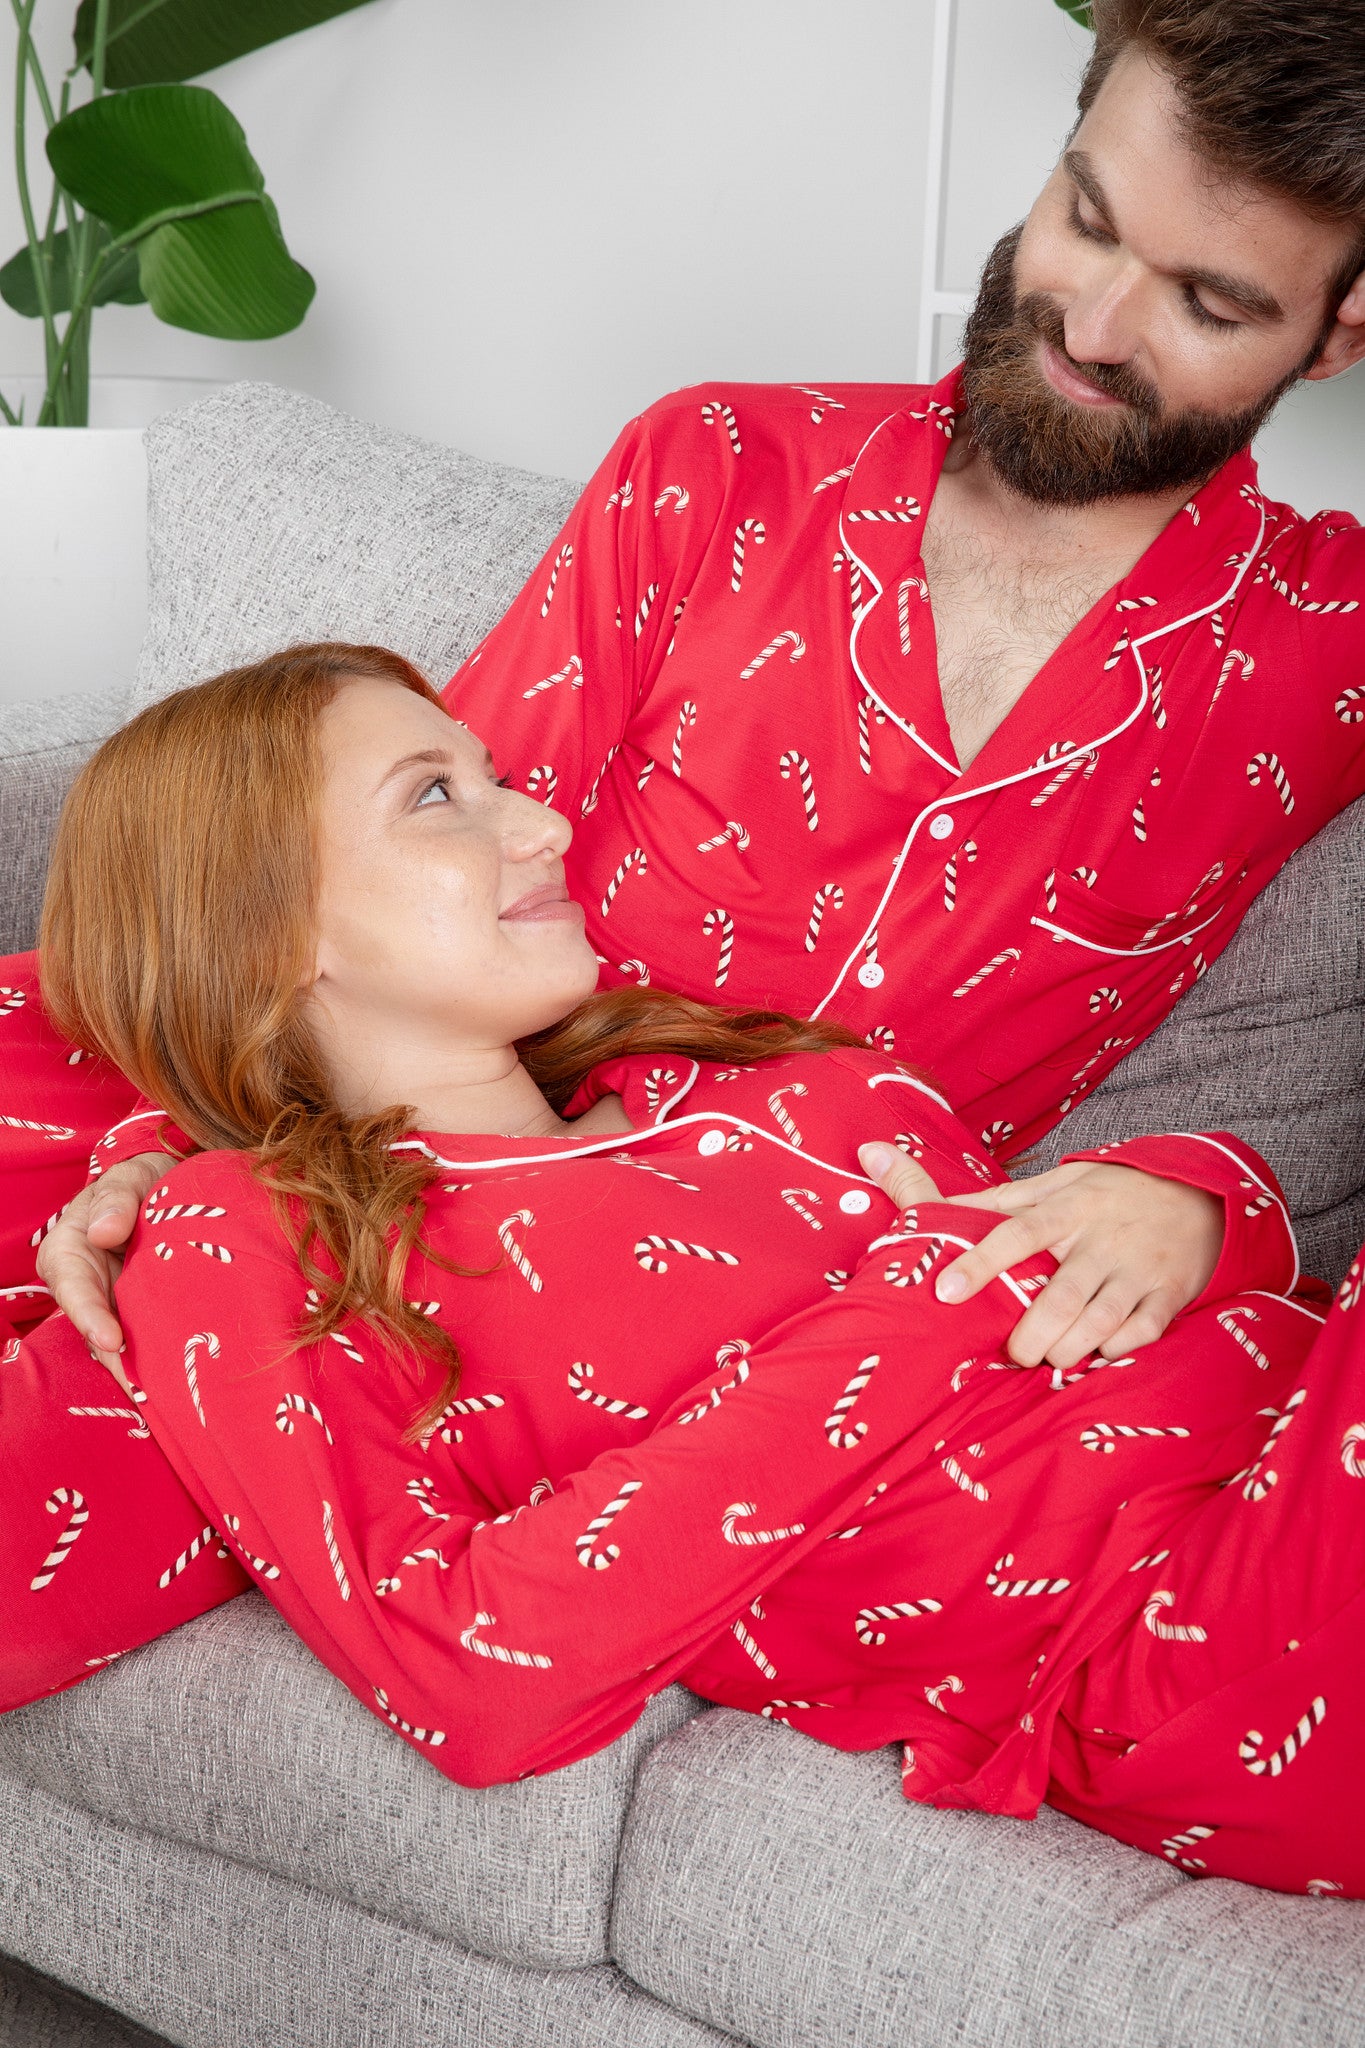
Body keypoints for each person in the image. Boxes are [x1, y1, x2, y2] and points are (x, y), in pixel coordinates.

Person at [7, 0, 1365, 1396]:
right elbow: (380, 879)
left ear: (1338, 328)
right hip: (373, 1143)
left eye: (1209, 305)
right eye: (1084, 217)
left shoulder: (1331, 637)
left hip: (766, 1312)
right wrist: (171, 1152)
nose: (1092, 322)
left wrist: (1213, 1210)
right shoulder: (716, 465)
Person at [6, 642, 1362, 1906]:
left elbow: (1073, 1268)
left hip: (1301, 1410)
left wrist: (1193, 1198)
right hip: (1190, 1640)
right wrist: (924, 1295)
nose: (542, 826)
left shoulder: (748, 1076)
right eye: (433, 798)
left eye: (502, 779)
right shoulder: (252, 1230)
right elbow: (472, 1680)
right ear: (260, 926)